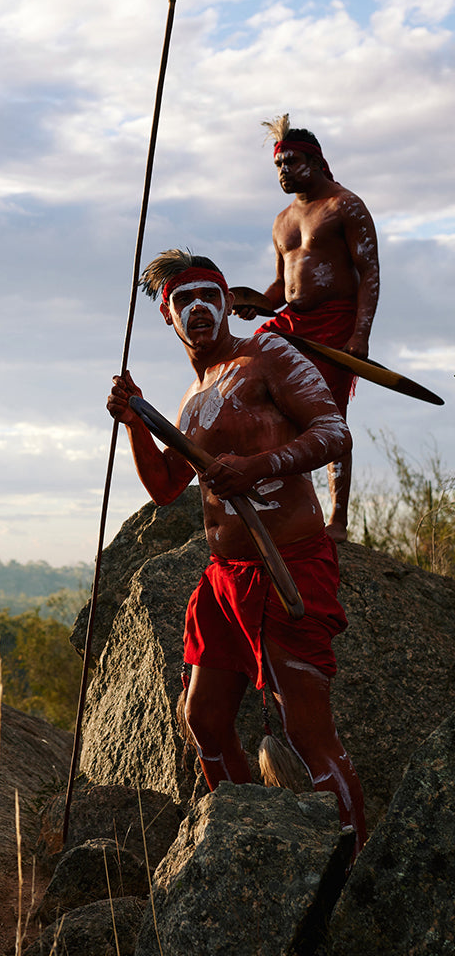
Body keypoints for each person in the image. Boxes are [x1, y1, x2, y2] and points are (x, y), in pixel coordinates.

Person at [108, 248, 366, 849]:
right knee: (203, 719)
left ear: (228, 303)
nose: (197, 308)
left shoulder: (266, 356)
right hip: (225, 578)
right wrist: (133, 423)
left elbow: (333, 432)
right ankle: (248, 843)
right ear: (170, 319)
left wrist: (257, 466)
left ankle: (352, 873)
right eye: (182, 301)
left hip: (289, 569)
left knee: (307, 731)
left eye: (208, 296)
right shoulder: (194, 398)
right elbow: (169, 487)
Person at [236, 114, 380, 543]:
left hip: (336, 321)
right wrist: (257, 304)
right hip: (293, 323)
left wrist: (360, 335)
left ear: (317, 163)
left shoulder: (345, 206)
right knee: (247, 367)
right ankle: (273, 497)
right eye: (279, 165)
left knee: (330, 417)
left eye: (293, 162)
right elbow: (282, 287)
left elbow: (369, 273)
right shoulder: (282, 220)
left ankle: (337, 519)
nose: (284, 171)